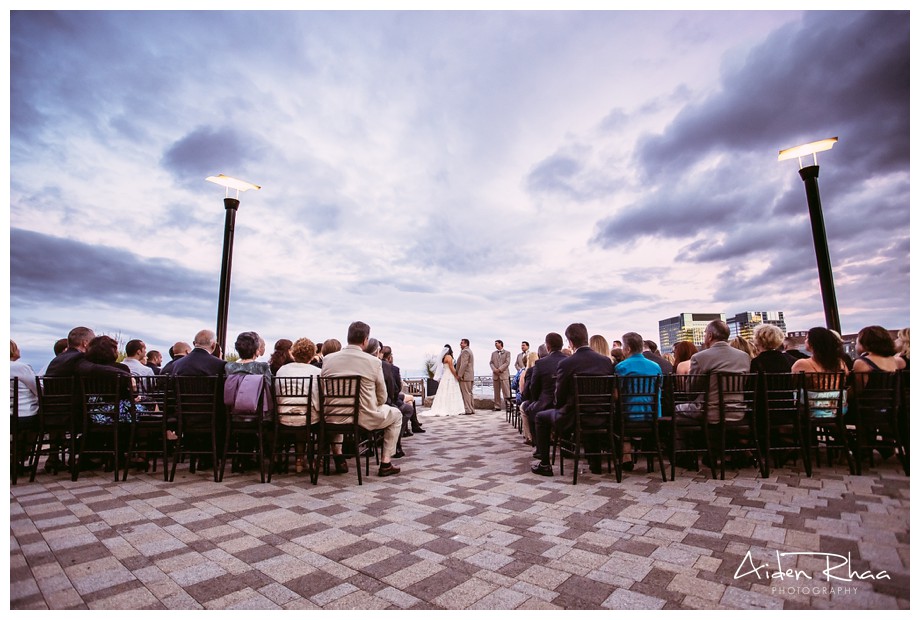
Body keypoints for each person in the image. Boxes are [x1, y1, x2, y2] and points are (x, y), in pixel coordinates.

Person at [321, 321, 403, 477]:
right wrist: (375, 405)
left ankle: (338, 456)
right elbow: (382, 396)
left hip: (333, 416)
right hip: (363, 417)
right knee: (396, 414)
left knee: (339, 411)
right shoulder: (373, 362)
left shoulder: (328, 360)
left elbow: (324, 391)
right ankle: (386, 462)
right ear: (366, 340)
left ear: (348, 337)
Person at [532, 323, 615, 477]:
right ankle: (595, 464)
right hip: (602, 416)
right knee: (588, 412)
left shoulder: (566, 363)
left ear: (570, 342)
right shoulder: (605, 361)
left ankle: (544, 464)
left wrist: (560, 407)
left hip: (574, 418)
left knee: (540, 417)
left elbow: (560, 396)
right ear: (586, 337)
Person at [682, 320, 752, 422]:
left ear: (710, 336)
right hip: (738, 412)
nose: (704, 336)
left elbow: (691, 392)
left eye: (705, 333)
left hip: (710, 413)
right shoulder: (744, 357)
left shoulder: (699, 357)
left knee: (677, 409)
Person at [275, 337, 323, 473]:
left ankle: (299, 460)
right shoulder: (316, 372)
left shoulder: (282, 371)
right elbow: (318, 399)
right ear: (312, 355)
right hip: (308, 418)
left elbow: (277, 395)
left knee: (301, 418)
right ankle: (315, 460)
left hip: (284, 417)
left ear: (293, 353)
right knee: (317, 420)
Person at [521, 333, 565, 443]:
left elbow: (533, 388)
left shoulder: (540, 363)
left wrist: (535, 400)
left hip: (546, 403)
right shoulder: (568, 360)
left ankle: (538, 446)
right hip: (565, 404)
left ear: (548, 347)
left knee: (529, 408)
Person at [11, 340, 40, 473]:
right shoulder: (20, 367)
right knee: (37, 421)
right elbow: (38, 389)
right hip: (21, 415)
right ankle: (19, 457)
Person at [428, 344, 465, 416]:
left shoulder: (444, 357)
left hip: (445, 375)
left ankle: (444, 407)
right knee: (451, 391)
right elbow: (451, 368)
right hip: (450, 375)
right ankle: (451, 408)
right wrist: (456, 376)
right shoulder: (449, 357)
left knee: (444, 392)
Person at [490, 340, 511, 411]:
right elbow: (491, 363)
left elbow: (507, 363)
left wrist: (499, 369)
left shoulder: (507, 353)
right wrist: (494, 370)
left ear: (500, 344)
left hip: (504, 375)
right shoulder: (493, 353)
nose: (495, 345)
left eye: (496, 343)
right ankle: (497, 406)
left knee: (506, 391)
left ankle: (508, 406)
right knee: (496, 392)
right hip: (495, 375)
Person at [456, 338, 475, 415]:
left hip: (465, 376)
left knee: (466, 393)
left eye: (462, 343)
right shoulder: (469, 351)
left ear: (466, 344)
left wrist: (459, 375)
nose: (460, 344)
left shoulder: (465, 351)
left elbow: (464, 364)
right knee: (469, 393)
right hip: (469, 375)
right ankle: (471, 409)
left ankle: (468, 409)